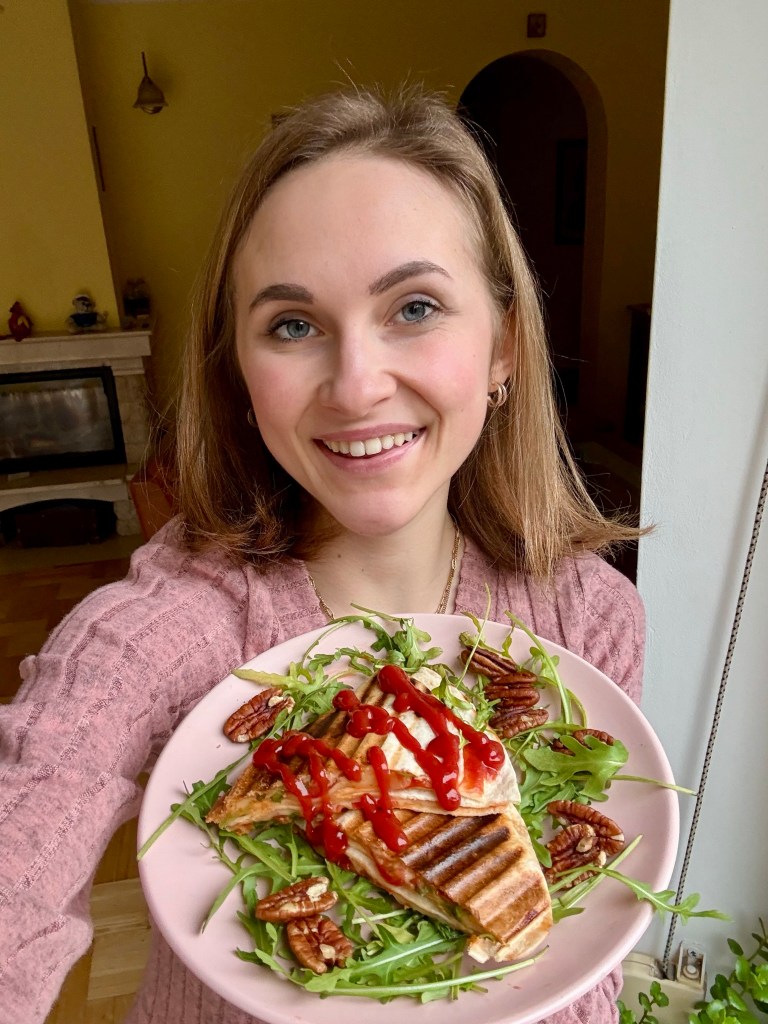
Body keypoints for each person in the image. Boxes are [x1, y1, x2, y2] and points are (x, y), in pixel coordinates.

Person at [0, 84, 645, 1024]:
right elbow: (28, 818)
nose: (354, 385)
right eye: (293, 325)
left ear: (504, 348)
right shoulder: (165, 629)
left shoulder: (589, 620)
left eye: (414, 306)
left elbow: (588, 950)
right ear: (239, 370)